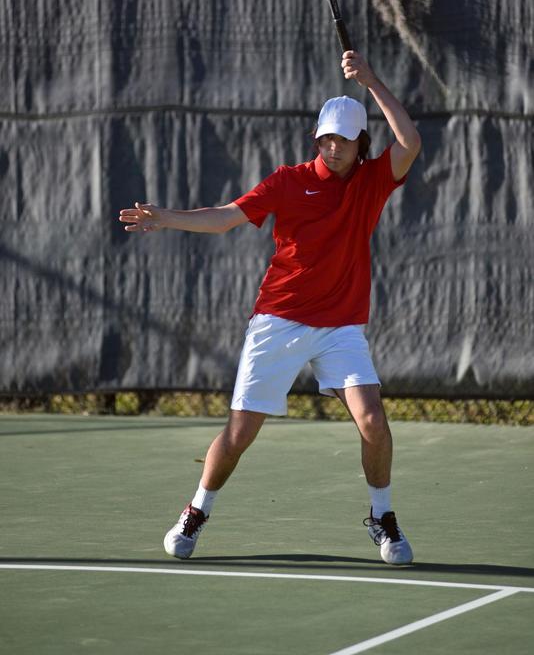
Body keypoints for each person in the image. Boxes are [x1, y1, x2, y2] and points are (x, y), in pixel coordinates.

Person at [119, 50, 421, 566]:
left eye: (343, 140)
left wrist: (372, 81)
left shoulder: (374, 180)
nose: (332, 147)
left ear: (359, 143)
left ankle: (384, 519)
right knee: (239, 434)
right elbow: (225, 217)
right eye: (325, 138)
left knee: (373, 421)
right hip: (278, 321)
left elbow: (411, 141)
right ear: (317, 139)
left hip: (341, 327)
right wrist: (165, 218)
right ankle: (196, 511)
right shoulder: (288, 179)